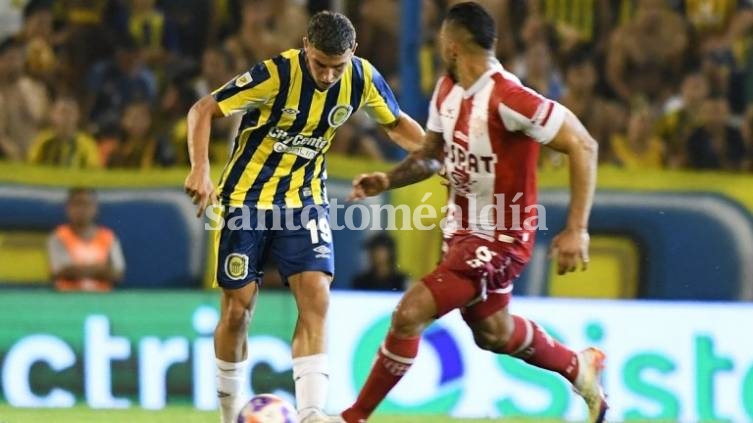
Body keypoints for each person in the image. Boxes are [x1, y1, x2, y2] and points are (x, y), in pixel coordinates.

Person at [340, 3, 606, 423]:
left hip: (501, 238)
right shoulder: (447, 91)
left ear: (450, 46)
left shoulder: (509, 98)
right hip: (460, 232)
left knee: (409, 314)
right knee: (493, 333)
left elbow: (584, 144)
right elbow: (431, 157)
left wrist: (578, 229)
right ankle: (578, 366)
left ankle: (352, 417)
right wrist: (387, 181)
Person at [183, 11, 424, 423]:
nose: (329, 76)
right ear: (306, 47)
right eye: (320, 65)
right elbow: (203, 109)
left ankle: (312, 414)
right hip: (246, 200)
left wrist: (443, 154)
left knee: (316, 296)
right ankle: (228, 414)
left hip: (304, 199)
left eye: (338, 66)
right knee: (238, 311)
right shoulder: (275, 74)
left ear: (353, 53)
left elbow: (397, 124)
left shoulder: (362, 78)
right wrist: (199, 168)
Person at [47, 187, 125, 292]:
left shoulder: (109, 238)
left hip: (103, 299)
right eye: (77, 204)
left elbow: (118, 274)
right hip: (67, 298)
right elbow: (59, 271)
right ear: (68, 208)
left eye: (87, 204)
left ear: (96, 208)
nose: (82, 209)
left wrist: (78, 270)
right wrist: (99, 270)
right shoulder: (58, 237)